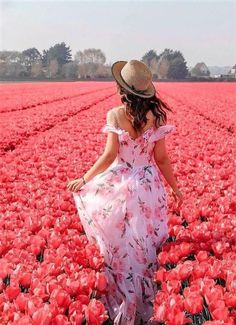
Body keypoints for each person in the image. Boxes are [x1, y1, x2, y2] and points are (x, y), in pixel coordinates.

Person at [67, 59, 183, 325]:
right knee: (144, 245)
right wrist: (175, 188)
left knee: (121, 247)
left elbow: (110, 155)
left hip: (121, 184)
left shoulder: (115, 115)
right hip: (148, 185)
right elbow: (162, 159)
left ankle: (123, 300)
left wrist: (84, 178)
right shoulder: (158, 117)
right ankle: (147, 305)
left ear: (123, 89)